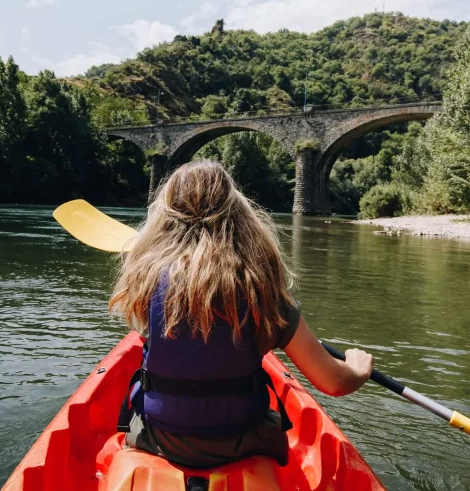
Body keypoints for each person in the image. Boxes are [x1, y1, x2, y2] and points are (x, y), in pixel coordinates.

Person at [110, 159, 373, 468]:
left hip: (157, 437)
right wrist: (358, 367)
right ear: (239, 214)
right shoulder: (263, 290)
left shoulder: (144, 282)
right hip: (244, 440)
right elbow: (334, 382)